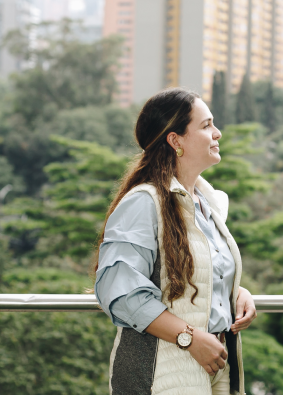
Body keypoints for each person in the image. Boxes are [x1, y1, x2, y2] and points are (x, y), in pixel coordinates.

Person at [94, 88, 256, 395]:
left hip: (215, 369)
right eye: (206, 125)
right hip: (162, 374)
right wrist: (190, 338)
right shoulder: (143, 203)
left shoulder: (206, 205)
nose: (217, 133)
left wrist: (231, 291)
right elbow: (120, 292)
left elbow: (194, 274)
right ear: (175, 140)